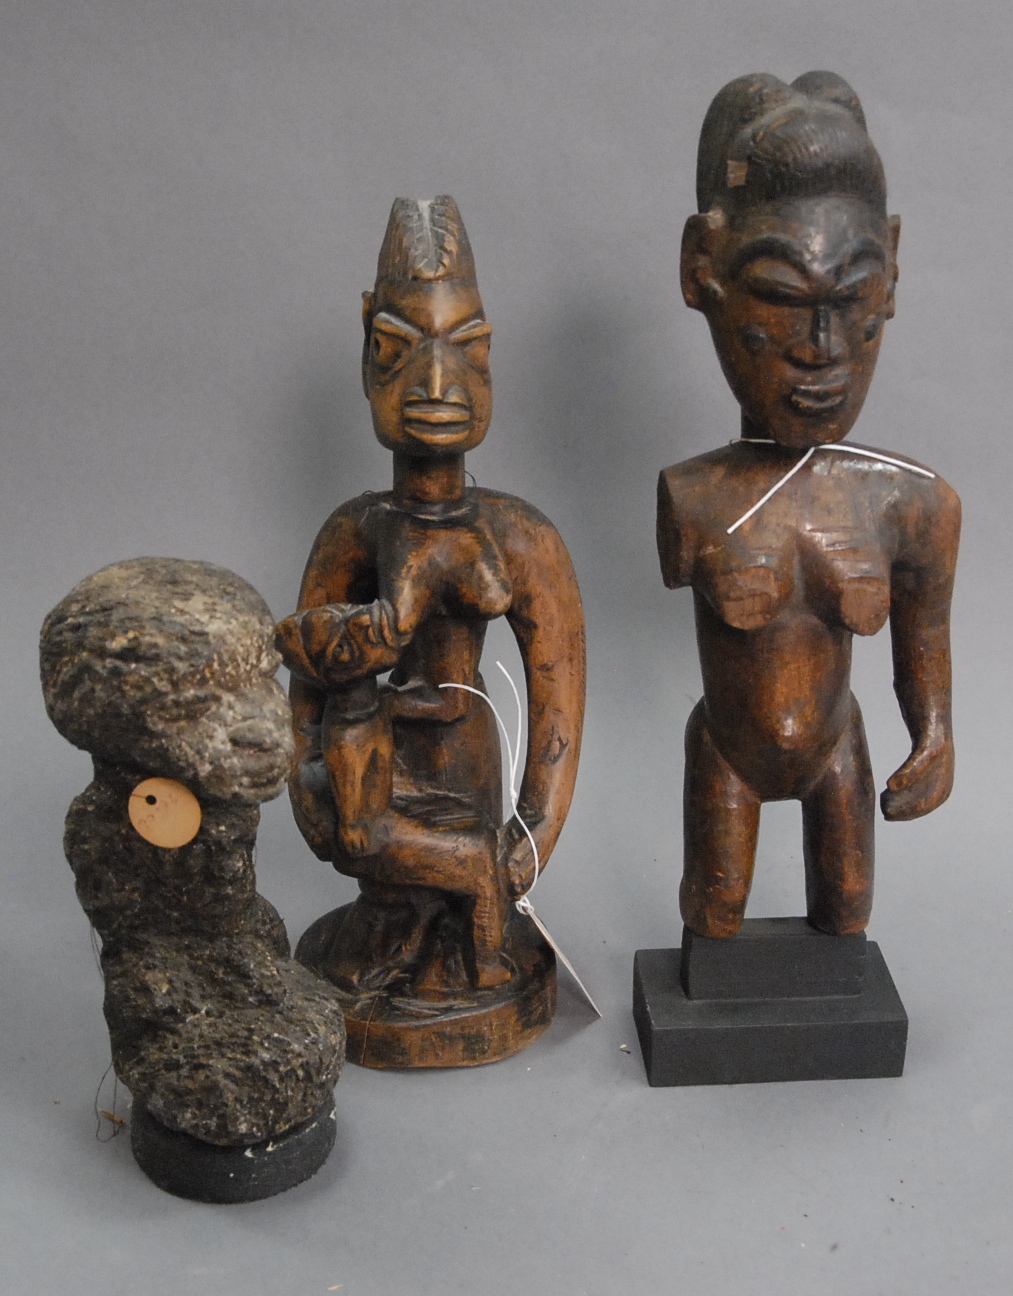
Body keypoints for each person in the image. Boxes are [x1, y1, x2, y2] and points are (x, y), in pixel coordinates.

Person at [279, 197, 584, 1058]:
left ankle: (465, 943)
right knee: (380, 871)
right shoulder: (354, 530)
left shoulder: (520, 537)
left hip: (464, 759)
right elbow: (303, 683)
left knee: (465, 874)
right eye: (399, 351)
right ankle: (395, 928)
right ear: (366, 358)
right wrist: (307, 788)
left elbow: (559, 704)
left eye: (468, 351)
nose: (438, 388)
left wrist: (534, 832)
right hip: (372, 756)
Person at [659, 73, 960, 939]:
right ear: (701, 271)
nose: (821, 350)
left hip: (837, 751)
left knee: (848, 910)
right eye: (783, 300)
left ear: (890, 271)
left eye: (851, 297)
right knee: (713, 911)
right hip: (725, 751)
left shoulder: (909, 504)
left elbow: (923, 638)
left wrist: (934, 740)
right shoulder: (691, 496)